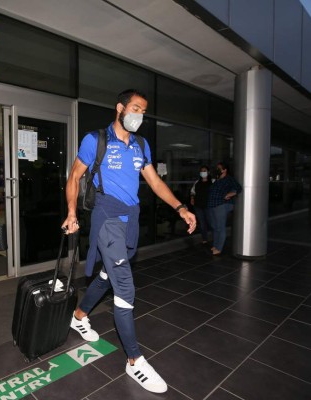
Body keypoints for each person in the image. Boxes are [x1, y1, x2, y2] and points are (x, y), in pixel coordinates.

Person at [62, 89, 196, 394]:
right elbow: (73, 177)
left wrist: (180, 207)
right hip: (107, 218)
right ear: (120, 108)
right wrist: (71, 212)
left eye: (144, 111)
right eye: (136, 108)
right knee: (125, 287)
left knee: (108, 276)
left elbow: (155, 181)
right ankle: (135, 361)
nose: (140, 115)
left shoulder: (141, 145)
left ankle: (79, 316)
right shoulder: (95, 140)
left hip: (130, 219)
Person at [207, 162, 242, 255]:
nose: (217, 169)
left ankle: (219, 248)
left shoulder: (229, 179)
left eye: (219, 168)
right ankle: (215, 245)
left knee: (220, 227)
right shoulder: (217, 179)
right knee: (214, 227)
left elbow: (238, 188)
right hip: (211, 204)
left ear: (224, 170)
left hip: (221, 204)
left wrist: (230, 194)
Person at [190, 165, 213, 244]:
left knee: (210, 222)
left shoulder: (213, 181)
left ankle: (215, 238)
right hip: (198, 205)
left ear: (208, 172)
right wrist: (192, 198)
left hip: (209, 206)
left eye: (204, 171)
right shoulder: (197, 182)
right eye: (201, 171)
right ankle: (205, 239)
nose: (203, 172)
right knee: (202, 223)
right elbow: (193, 192)